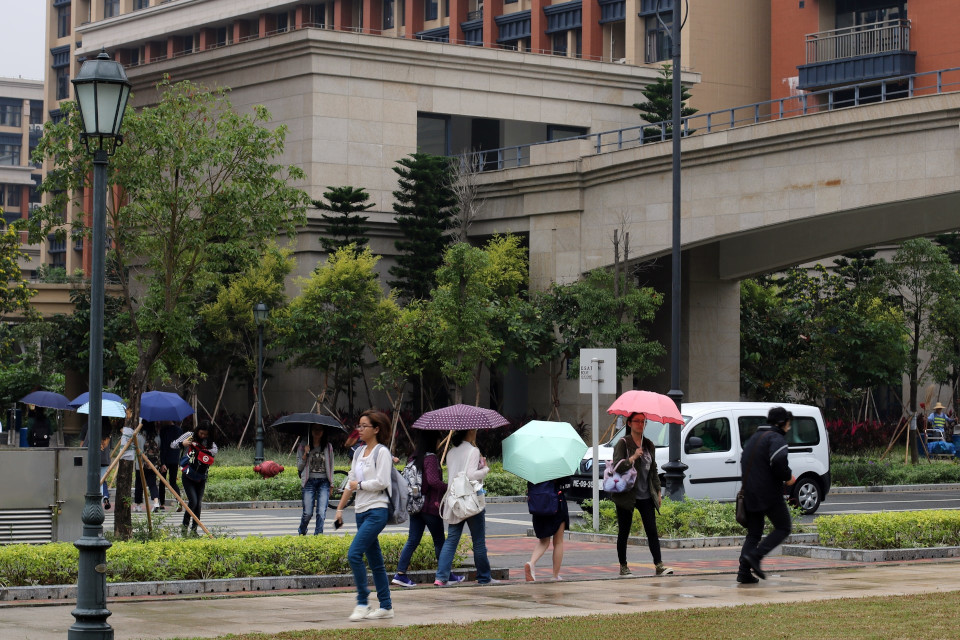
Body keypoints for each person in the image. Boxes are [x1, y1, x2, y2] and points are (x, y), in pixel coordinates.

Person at [334, 410, 394, 621]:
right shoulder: (358, 453)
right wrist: (340, 509)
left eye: (364, 426)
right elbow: (350, 481)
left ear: (376, 429)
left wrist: (359, 485)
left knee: (354, 554)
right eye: (359, 425)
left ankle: (363, 602)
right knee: (375, 561)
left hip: (377, 510)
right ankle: (386, 606)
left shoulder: (382, 452)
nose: (359, 430)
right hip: (360, 511)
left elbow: (382, 482)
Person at [392, 430, 464, 587]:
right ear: (432, 440)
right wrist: (450, 487)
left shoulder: (414, 456)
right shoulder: (431, 458)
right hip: (430, 506)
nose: (439, 442)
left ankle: (400, 574)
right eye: (437, 439)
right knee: (439, 541)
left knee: (412, 540)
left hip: (415, 505)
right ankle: (446, 575)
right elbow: (432, 481)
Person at [738, 406, 797, 584]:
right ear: (782, 423)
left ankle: (743, 572)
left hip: (749, 492)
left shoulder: (755, 438)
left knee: (754, 534)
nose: (789, 427)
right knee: (784, 527)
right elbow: (778, 460)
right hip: (768, 494)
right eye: (788, 423)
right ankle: (756, 556)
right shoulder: (776, 438)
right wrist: (787, 476)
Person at [611, 412, 672, 577]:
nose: (640, 424)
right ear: (629, 423)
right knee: (624, 531)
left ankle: (659, 565)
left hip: (646, 494)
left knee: (652, 530)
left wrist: (658, 491)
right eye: (637, 421)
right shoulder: (623, 443)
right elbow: (616, 466)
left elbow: (653, 470)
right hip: (627, 494)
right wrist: (632, 458)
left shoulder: (649, 445)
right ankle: (623, 566)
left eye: (643, 421)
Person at [435, 428, 497, 586]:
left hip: (455, 502)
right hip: (470, 501)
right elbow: (470, 475)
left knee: (451, 541)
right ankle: (484, 577)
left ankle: (441, 578)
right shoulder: (473, 450)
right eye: (474, 429)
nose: (476, 431)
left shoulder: (451, 452)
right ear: (470, 431)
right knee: (478, 542)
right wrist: (484, 469)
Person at [172, 422, 218, 533]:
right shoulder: (189, 435)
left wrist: (204, 451)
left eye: (205, 434)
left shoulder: (209, 442)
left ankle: (194, 530)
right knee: (193, 501)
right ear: (197, 430)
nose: (203, 436)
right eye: (201, 433)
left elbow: (215, 450)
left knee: (198, 504)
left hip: (202, 476)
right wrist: (183, 443)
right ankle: (184, 527)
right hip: (188, 474)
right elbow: (172, 444)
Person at [524, 476, 571, 582]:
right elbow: (566, 485)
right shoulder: (557, 466)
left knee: (543, 541)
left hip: (538, 506)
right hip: (556, 504)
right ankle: (555, 575)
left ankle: (531, 563)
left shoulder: (534, 467)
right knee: (558, 542)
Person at [297, 425, 335, 535]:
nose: (317, 432)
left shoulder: (328, 446)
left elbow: (331, 465)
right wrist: (305, 454)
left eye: (320, 429)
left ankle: (318, 536)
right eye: (315, 429)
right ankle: (302, 531)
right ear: (310, 431)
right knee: (308, 513)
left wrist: (331, 484)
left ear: (324, 432)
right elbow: (299, 467)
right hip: (309, 482)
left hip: (324, 482)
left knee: (321, 512)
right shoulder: (303, 445)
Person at [82, 417, 114, 510]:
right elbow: (111, 446)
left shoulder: (92, 429)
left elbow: (85, 445)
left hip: (94, 459)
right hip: (105, 460)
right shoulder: (109, 433)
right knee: (102, 480)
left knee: (94, 481)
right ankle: (105, 497)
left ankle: (97, 505)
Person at [134, 421, 162, 513]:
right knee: (152, 484)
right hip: (152, 465)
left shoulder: (139, 436)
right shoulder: (157, 436)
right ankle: (156, 503)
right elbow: (159, 448)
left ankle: (138, 505)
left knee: (139, 484)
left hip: (140, 465)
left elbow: (136, 449)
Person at [158, 420, 184, 511]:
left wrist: (162, 463)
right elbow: (181, 445)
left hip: (165, 459)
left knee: (162, 482)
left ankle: (162, 504)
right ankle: (179, 501)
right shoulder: (179, 430)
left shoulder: (163, 430)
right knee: (173, 482)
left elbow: (163, 447)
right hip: (175, 459)